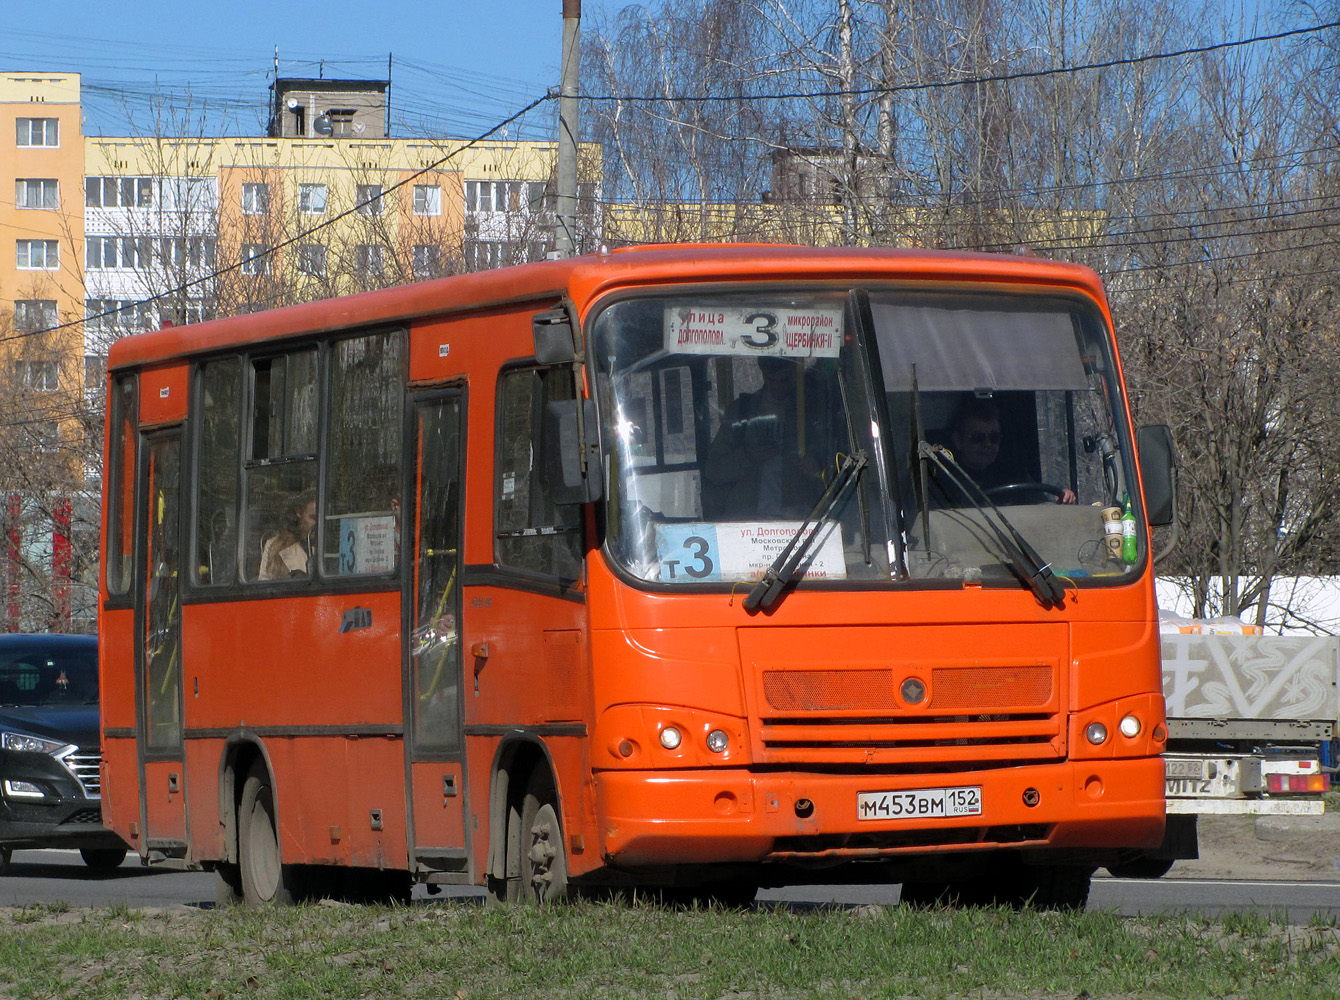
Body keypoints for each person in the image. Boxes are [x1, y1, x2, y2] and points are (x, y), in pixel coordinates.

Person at [703, 356, 830, 519]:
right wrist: (748, 457)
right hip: (747, 523)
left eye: (784, 380)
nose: (778, 387)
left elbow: (841, 464)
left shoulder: (815, 411)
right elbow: (714, 470)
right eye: (771, 379)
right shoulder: (742, 412)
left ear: (795, 374)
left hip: (801, 520)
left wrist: (818, 470)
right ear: (762, 374)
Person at [943, 396, 1076, 504]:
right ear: (958, 441)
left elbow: (1040, 504)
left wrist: (1061, 500)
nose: (988, 444)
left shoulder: (1014, 474)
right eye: (978, 438)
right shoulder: (947, 481)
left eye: (994, 437)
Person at [258, 492, 316, 580]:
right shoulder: (274, 546)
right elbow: (263, 584)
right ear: (299, 513)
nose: (317, 523)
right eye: (313, 518)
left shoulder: (327, 546)